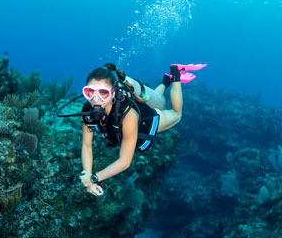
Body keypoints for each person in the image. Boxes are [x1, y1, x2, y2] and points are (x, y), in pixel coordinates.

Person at [79, 63, 207, 196]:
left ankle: (176, 74)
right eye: (90, 92)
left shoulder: (128, 115)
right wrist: (87, 173)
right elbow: (86, 145)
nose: (95, 99)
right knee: (159, 100)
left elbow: (124, 161)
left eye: (103, 93)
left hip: (146, 120)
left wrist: (94, 178)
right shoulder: (87, 112)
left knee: (176, 115)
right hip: (139, 103)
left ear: (113, 93)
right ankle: (165, 81)